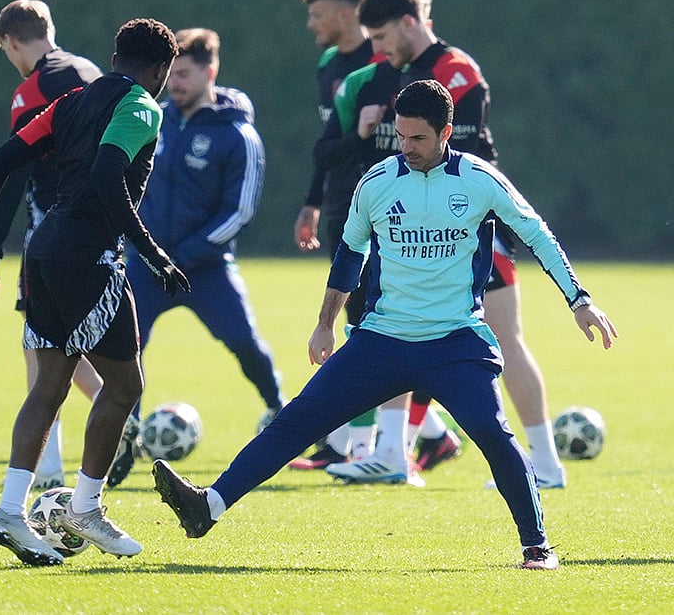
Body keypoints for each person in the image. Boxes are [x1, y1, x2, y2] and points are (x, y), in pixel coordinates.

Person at [153, 79, 618, 571]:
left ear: (445, 133)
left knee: (492, 433)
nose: (407, 147)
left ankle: (537, 548)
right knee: (297, 420)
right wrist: (325, 324)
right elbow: (349, 254)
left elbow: (538, 234)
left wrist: (579, 299)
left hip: (456, 342)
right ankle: (207, 506)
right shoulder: (376, 183)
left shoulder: (479, 180)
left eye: (419, 138)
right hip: (381, 341)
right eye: (401, 136)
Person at [0, 18, 185, 566]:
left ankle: (11, 511)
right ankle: (85, 508)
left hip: (43, 250)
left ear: (115, 57)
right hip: (88, 257)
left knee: (50, 384)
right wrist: (152, 252)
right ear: (159, 70)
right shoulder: (142, 106)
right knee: (125, 387)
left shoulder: (71, 101)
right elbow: (107, 177)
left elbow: (4, 159)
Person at [327, 0, 566, 489]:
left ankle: (545, 463)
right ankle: (392, 452)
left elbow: (468, 162)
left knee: (506, 339)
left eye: (382, 35)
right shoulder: (389, 75)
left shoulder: (454, 70)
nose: (377, 47)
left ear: (408, 23)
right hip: (415, 224)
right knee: (397, 321)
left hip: (471, 230)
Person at [108, 28, 285, 487]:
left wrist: (184, 254)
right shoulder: (151, 118)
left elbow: (239, 211)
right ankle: (124, 435)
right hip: (147, 266)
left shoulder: (238, 134)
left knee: (245, 343)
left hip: (205, 269)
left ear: (211, 71)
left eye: (184, 74)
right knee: (125, 349)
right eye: (171, 74)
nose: (174, 83)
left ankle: (278, 410)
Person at [0, 0, 104, 490]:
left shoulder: (32, 89)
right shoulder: (92, 73)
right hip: (101, 229)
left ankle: (48, 470)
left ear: (11, 42)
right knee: (71, 341)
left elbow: (19, 168)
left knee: (39, 348)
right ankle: (119, 414)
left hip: (52, 233)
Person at [288, 0, 380, 471]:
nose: (310, 24)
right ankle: (351, 442)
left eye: (317, 14)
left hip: (382, 207)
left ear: (346, 14)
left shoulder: (381, 61)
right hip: (343, 203)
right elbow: (329, 144)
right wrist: (313, 200)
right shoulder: (329, 65)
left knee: (370, 323)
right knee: (359, 320)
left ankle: (365, 446)